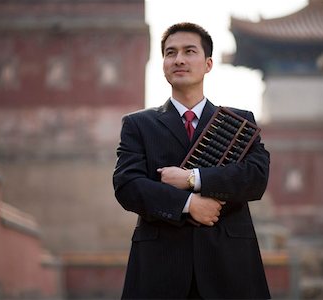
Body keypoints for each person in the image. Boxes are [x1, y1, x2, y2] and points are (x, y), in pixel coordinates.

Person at [113, 22, 270, 299]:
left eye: (189, 51)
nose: (179, 59)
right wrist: (188, 204)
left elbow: (255, 178)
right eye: (170, 53)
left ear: (208, 64)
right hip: (160, 268)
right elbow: (127, 185)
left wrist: (193, 178)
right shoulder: (138, 125)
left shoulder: (239, 122)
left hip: (229, 266)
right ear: (163, 64)